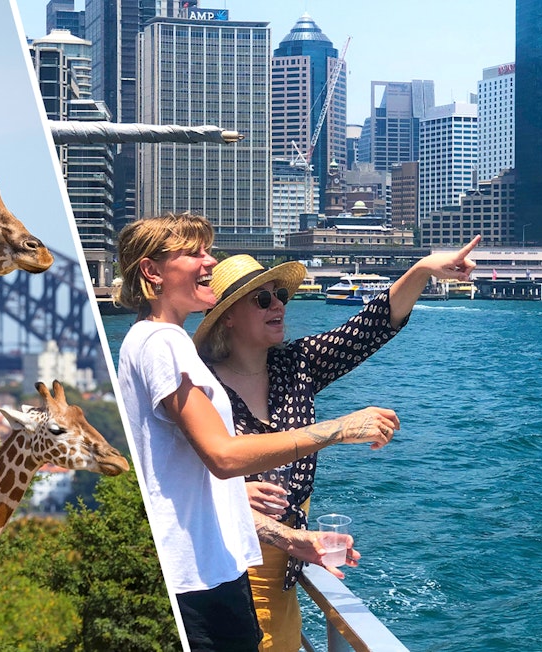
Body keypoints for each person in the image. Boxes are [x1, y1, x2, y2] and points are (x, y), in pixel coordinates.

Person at [115, 213, 401, 652]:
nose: (209, 261)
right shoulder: (163, 343)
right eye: (193, 253)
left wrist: (293, 539)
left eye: (207, 250)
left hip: (210, 569)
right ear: (152, 271)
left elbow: (182, 471)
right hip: (199, 578)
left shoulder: (149, 340)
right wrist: (338, 429)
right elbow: (223, 456)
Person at [192, 236, 481, 652]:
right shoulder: (200, 385)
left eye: (280, 295)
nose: (278, 305)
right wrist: (232, 491)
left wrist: (423, 269)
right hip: (227, 574)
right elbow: (182, 474)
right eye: (262, 300)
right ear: (228, 317)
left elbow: (369, 328)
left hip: (287, 573)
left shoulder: (297, 365)